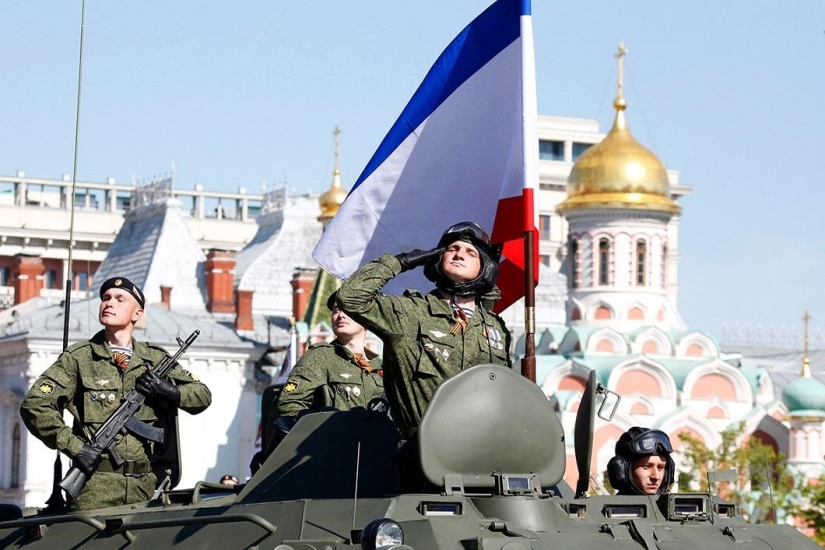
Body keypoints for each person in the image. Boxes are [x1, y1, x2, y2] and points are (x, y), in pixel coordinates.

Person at [20, 277, 212, 511]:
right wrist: (75, 447)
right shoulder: (79, 358)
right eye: (105, 298)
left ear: (137, 314)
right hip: (94, 487)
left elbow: (202, 395)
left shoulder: (154, 358)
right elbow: (35, 405)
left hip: (144, 487)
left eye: (120, 299)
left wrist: (168, 391)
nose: (109, 303)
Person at [335, 221, 511, 439]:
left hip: (481, 450)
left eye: (470, 253)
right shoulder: (410, 313)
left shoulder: (496, 328)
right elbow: (351, 298)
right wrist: (399, 262)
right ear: (437, 258)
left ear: (485, 268)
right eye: (452, 249)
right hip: (420, 449)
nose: (459, 255)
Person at [277, 291, 385, 416]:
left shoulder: (381, 367)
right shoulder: (320, 357)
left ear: (367, 319)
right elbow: (289, 404)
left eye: (348, 310)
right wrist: (325, 427)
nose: (341, 315)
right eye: (336, 310)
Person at [607, 426, 676, 495]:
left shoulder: (673, 505)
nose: (656, 477)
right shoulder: (605, 505)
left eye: (660, 468)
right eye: (646, 467)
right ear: (623, 470)